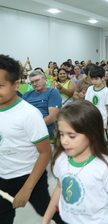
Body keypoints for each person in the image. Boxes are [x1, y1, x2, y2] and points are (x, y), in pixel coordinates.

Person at [40, 100, 108, 224]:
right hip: (66, 220)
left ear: (91, 134)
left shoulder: (104, 165)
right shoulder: (61, 158)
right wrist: (46, 219)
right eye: (62, 134)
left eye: (71, 136)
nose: (64, 141)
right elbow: (59, 188)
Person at [0, 54, 63, 224]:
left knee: (47, 210)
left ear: (16, 85)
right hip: (2, 177)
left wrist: (27, 188)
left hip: (28, 176)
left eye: (0, 86)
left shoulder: (28, 114)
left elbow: (44, 153)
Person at [23, 70, 62, 139]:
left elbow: (53, 116)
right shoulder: (27, 95)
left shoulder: (52, 92)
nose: (34, 84)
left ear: (44, 79)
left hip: (44, 130)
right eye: (32, 82)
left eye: (37, 80)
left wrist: (33, 128)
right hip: (26, 130)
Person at [85, 66, 108, 132]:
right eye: (92, 79)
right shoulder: (90, 89)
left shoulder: (106, 91)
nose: (94, 81)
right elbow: (86, 105)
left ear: (102, 78)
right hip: (90, 117)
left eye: (96, 79)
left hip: (102, 118)